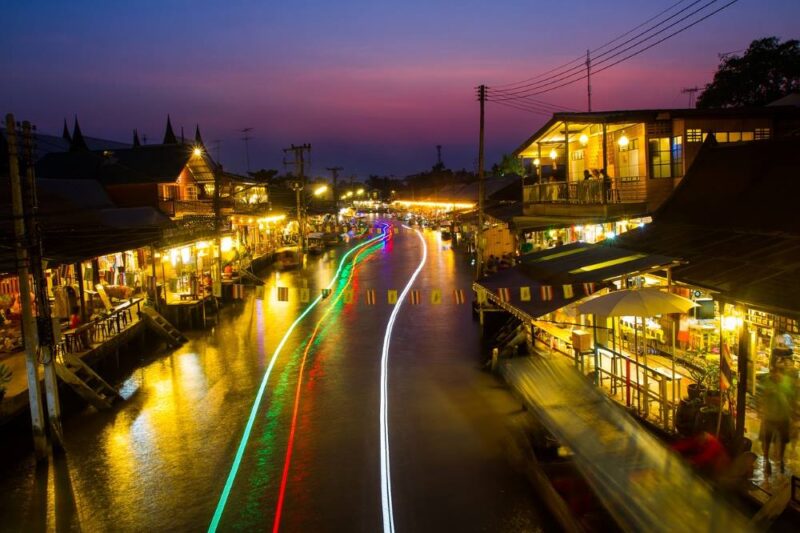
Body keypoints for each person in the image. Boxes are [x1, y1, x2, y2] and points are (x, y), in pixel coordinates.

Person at [760, 364, 794, 474]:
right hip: (769, 417)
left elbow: (792, 396)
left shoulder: (786, 383)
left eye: (779, 373)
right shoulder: (766, 382)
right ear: (772, 373)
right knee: (767, 440)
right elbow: (761, 397)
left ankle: (781, 460)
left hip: (783, 417)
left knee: (783, 441)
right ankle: (766, 461)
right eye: (775, 373)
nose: (777, 375)